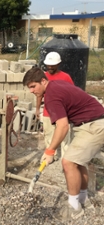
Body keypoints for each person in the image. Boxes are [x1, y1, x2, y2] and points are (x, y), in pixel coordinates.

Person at [23, 67, 104, 221]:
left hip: (93, 126)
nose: (31, 91)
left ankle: (74, 208)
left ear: (43, 81)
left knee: (68, 162)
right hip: (92, 121)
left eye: (33, 86)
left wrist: (49, 151)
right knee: (79, 163)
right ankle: (83, 199)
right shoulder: (57, 84)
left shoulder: (52, 96)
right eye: (29, 88)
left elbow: (63, 126)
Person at [36, 52, 74, 162]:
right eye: (49, 65)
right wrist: (38, 109)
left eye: (53, 65)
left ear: (59, 64)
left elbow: (72, 93)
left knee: (65, 136)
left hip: (63, 113)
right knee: (49, 135)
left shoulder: (65, 77)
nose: (50, 67)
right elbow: (39, 94)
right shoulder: (43, 77)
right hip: (48, 112)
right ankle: (51, 156)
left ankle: (66, 158)